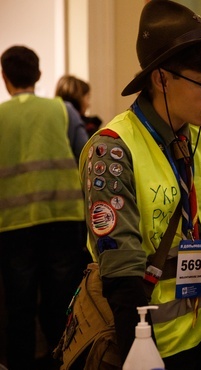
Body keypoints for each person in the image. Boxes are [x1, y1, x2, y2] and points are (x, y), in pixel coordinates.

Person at [78, 1, 201, 369]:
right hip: (149, 339)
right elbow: (120, 268)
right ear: (161, 79)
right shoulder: (112, 149)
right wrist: (140, 352)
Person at [0, 45, 88, 370]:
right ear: (38, 75)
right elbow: (86, 159)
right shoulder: (63, 111)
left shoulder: (0, 116)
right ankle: (63, 363)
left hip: (12, 225)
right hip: (63, 221)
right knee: (61, 305)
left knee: (19, 308)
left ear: (5, 77)